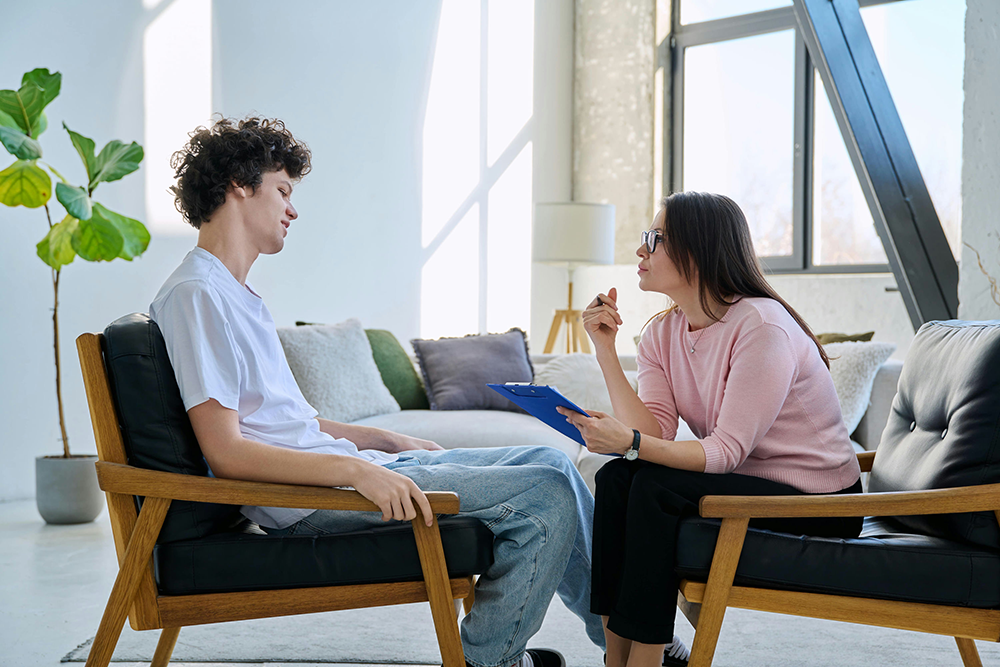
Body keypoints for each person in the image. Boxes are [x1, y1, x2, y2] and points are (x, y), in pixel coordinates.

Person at [148, 116, 606, 667]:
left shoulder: (234, 294)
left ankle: (625, 643)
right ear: (239, 186)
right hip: (312, 500)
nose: (293, 210)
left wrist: (380, 440)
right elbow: (227, 452)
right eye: (283, 191)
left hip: (338, 472)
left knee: (551, 462)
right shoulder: (198, 295)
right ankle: (496, 660)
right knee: (547, 492)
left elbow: (283, 423)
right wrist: (357, 470)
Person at [557, 191, 864, 667]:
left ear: (697, 251)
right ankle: (615, 660)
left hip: (819, 501)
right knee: (617, 477)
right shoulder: (662, 333)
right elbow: (656, 431)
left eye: (654, 239)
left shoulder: (762, 327)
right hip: (747, 483)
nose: (640, 250)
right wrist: (605, 351)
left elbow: (723, 453)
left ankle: (647, 662)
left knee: (652, 486)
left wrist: (630, 442)